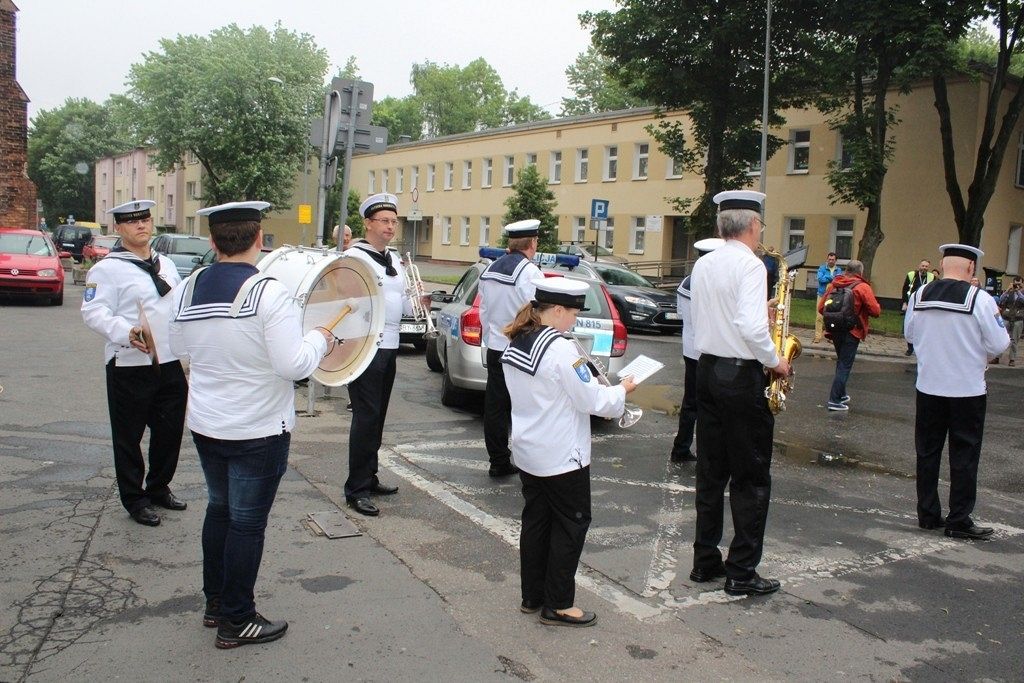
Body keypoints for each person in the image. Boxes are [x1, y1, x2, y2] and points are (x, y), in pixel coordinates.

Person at [168, 201, 334, 649]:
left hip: (207, 424)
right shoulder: (268, 292)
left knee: (219, 510)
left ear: (212, 241)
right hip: (257, 430)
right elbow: (292, 365)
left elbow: (176, 346)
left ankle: (216, 604)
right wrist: (320, 339)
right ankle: (237, 619)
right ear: (259, 239)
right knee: (245, 524)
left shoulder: (189, 286)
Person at [500, 277, 637, 627]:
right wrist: (623, 390)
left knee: (536, 522)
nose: (575, 320)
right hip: (562, 455)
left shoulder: (518, 340)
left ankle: (532, 596)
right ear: (558, 310)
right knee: (570, 526)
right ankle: (558, 604)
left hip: (530, 450)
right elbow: (593, 401)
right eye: (574, 313)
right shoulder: (561, 349)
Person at [688, 189, 791, 597]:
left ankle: (704, 561)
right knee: (751, 476)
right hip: (740, 375)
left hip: (708, 369)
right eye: (760, 225)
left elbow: (713, 315)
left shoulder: (705, 263)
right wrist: (775, 361)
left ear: (720, 227)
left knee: (711, 471)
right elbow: (748, 328)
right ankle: (742, 571)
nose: (760, 232)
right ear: (752, 225)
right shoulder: (751, 265)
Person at [81, 199, 187, 527]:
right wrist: (126, 332)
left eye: (145, 219)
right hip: (129, 363)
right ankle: (134, 498)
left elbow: (176, 306)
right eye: (132, 221)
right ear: (119, 227)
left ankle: (159, 487)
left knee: (169, 431)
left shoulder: (165, 264)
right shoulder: (107, 269)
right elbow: (93, 312)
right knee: (128, 436)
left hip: (169, 361)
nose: (141, 225)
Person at [905, 244, 1010, 540]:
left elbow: (910, 335)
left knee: (927, 452)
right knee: (964, 455)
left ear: (941, 264)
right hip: (966, 389)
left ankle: (927, 514)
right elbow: (1000, 344)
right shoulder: (980, 299)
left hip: (928, 386)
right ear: (971, 268)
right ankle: (959, 519)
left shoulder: (919, 295)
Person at [341, 193, 409, 516]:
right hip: (366, 346)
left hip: (391, 346)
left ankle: (370, 476)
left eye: (394, 222)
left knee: (377, 417)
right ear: (368, 224)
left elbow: (402, 301)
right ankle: (356, 489)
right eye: (384, 221)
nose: (390, 227)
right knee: (366, 418)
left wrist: (416, 303)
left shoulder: (393, 258)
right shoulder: (355, 258)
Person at [478, 219, 543, 477]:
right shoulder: (530, 273)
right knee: (526, 407)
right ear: (532, 243)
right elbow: (537, 313)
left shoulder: (490, 269)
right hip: (522, 348)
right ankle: (530, 461)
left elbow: (483, 312)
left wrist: (492, 337)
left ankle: (498, 461)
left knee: (495, 407)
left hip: (496, 346)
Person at [670, 237, 724, 463]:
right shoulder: (713, 283)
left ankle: (681, 448)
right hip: (710, 352)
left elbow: (681, 315)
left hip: (690, 350)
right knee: (711, 406)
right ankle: (708, 453)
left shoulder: (687, 282)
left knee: (690, 402)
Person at [817, 260, 881, 411]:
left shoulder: (834, 285)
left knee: (842, 362)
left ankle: (841, 394)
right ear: (860, 272)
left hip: (835, 329)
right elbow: (875, 311)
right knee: (845, 365)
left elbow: (821, 308)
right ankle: (834, 400)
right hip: (852, 330)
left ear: (846, 270)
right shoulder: (862, 287)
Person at [901, 259, 935, 355]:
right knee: (910, 325)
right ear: (919, 266)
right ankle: (910, 348)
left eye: (926, 266)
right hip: (911, 304)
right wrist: (905, 302)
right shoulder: (911, 275)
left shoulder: (932, 277)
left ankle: (919, 348)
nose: (924, 268)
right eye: (923, 266)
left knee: (922, 327)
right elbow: (905, 289)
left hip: (924, 305)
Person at [813, 252, 843, 343]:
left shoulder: (838, 270)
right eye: (829, 259)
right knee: (819, 316)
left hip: (833, 296)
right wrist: (831, 277)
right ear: (827, 259)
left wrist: (827, 277)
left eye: (832, 259)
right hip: (821, 295)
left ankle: (831, 336)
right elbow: (820, 279)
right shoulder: (822, 268)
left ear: (836, 260)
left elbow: (839, 281)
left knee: (832, 317)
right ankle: (817, 336)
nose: (830, 261)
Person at [997, 275, 1024, 366]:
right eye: (1015, 284)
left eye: (1019, 284)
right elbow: (1001, 301)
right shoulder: (1009, 292)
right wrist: (1008, 290)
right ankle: (997, 357)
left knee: (1014, 340)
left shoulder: (1022, 293)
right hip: (1006, 317)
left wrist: (1018, 292)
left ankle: (1012, 359)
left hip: (1018, 319)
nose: (1017, 286)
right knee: (1001, 337)